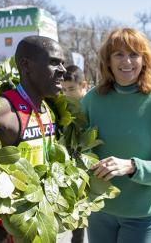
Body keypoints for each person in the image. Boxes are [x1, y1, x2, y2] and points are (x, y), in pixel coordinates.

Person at [0, 35, 66, 242]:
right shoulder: (1, 110)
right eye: (54, 62)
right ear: (26, 65)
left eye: (63, 63)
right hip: (10, 231)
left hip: (37, 222)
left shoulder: (49, 109)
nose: (63, 70)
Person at [81, 28, 151, 243]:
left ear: (144, 60)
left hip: (142, 214)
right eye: (119, 54)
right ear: (107, 61)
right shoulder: (91, 100)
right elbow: (77, 151)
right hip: (98, 209)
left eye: (134, 54)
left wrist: (132, 166)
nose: (127, 61)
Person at [62, 65, 88, 243]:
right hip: (71, 167)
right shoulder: (63, 106)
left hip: (90, 165)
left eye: (71, 89)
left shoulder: (92, 106)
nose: (66, 94)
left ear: (83, 85)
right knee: (76, 214)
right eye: (63, 89)